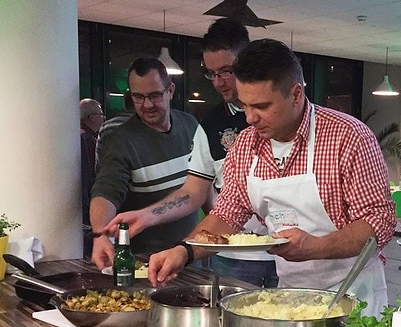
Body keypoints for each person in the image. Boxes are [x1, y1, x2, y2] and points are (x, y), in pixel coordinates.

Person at [148, 39, 396, 316]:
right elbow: (228, 214)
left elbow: (379, 222)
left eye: (262, 106)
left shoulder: (348, 137)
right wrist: (184, 251)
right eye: (244, 106)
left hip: (355, 292)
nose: (251, 118)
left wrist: (315, 247)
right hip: (291, 294)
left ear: (296, 94)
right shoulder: (245, 145)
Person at [103, 18, 278, 287]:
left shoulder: (284, 117)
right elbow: (194, 193)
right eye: (211, 73)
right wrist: (148, 216)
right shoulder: (208, 126)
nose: (219, 82)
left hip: (294, 258)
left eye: (226, 71)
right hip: (233, 255)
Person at [90, 58, 201, 268]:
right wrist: (100, 234)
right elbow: (105, 191)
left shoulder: (190, 125)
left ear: (170, 90)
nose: (147, 104)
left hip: (191, 250)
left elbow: (202, 186)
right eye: (138, 97)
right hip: (146, 260)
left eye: (154, 95)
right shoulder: (120, 140)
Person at [79, 98, 105, 257]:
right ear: (92, 118)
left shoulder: (84, 137)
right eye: (101, 114)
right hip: (87, 207)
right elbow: (90, 175)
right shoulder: (85, 139)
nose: (104, 118)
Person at [95, 94, 135, 173]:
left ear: (124, 104)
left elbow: (99, 161)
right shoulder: (146, 125)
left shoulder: (106, 126)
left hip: (110, 177)